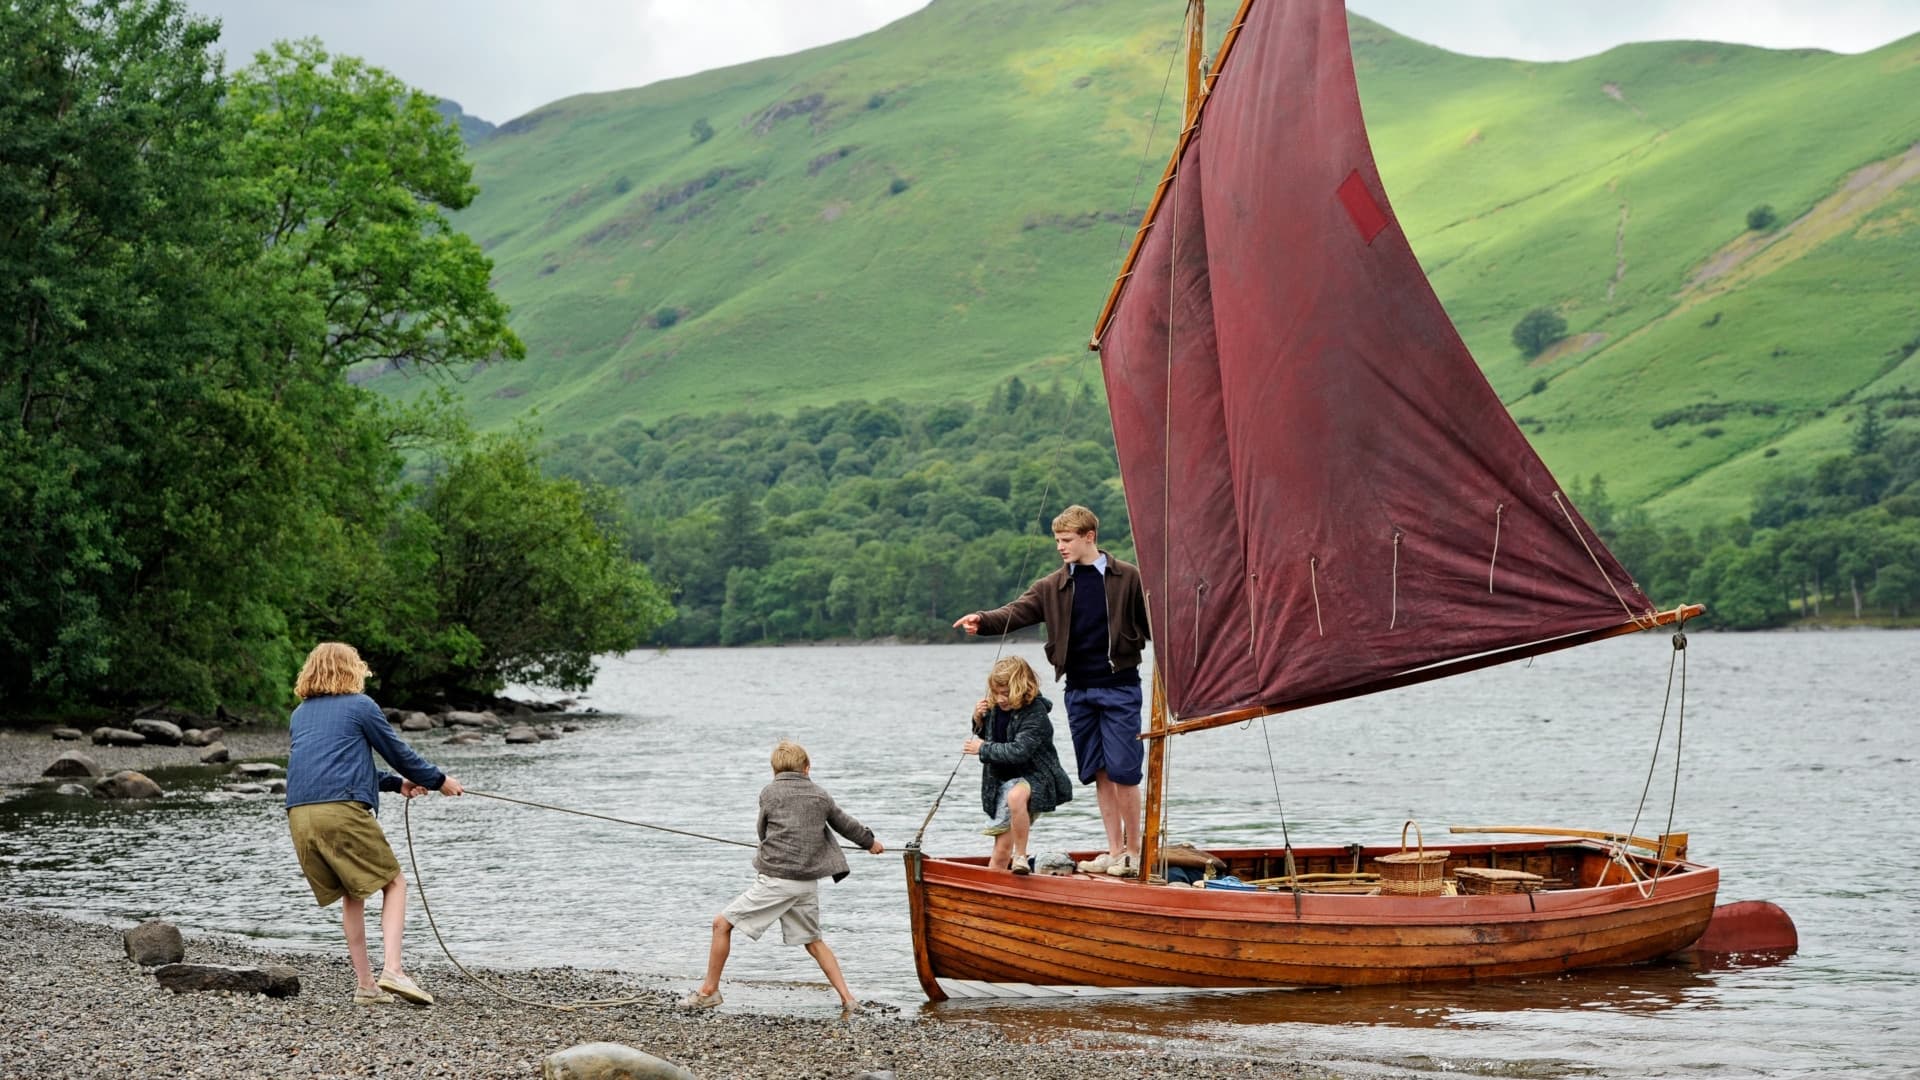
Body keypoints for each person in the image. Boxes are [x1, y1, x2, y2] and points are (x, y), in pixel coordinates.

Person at [952, 504, 1150, 877]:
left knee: (1124, 772)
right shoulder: (1053, 586)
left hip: (1120, 686)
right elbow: (1016, 611)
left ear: (1089, 537)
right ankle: (1113, 850)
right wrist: (983, 619)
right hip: (1078, 691)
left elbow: (1157, 623)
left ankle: (1134, 854)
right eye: (1057, 540)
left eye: (1066, 540)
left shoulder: (1128, 578)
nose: (1060, 547)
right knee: (1099, 772)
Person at [283, 642, 464, 1006]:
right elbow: (397, 751)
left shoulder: (300, 714)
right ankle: (393, 970)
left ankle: (367, 985)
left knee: (354, 893)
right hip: (340, 811)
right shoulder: (360, 706)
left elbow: (333, 766)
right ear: (351, 670)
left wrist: (397, 785)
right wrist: (437, 779)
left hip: (300, 815)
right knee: (394, 883)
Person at [683, 740, 884, 1013]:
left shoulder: (770, 793)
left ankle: (709, 991)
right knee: (814, 941)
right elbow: (845, 824)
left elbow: (762, 830)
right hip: (806, 884)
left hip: (778, 880)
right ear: (807, 768)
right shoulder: (820, 795)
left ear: (774, 770)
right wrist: (870, 843)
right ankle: (848, 999)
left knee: (721, 925)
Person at [962, 656, 1073, 874]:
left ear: (1023, 688)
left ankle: (1020, 855)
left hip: (1036, 777)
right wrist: (978, 719)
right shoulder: (996, 709)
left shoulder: (1035, 714)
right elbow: (990, 736)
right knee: (1001, 850)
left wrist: (982, 749)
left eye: (1006, 694)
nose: (1001, 699)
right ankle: (994, 894)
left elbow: (1019, 751)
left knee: (1016, 798)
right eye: (996, 693)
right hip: (1001, 783)